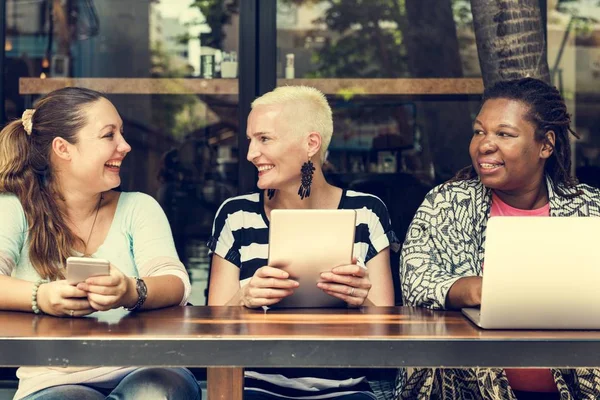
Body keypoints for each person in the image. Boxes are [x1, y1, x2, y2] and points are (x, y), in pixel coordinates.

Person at [400, 77, 600, 400]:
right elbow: (415, 278)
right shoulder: (447, 203)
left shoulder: (589, 208)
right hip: (465, 389)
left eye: (504, 134)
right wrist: (471, 288)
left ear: (545, 145)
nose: (484, 144)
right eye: (479, 131)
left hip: (575, 389)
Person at [0, 87, 201, 400]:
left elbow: (177, 284)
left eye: (121, 133)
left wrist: (130, 290)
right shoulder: (14, 209)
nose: (125, 145)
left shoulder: (139, 207)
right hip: (52, 382)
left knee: (153, 392)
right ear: (62, 148)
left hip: (149, 369)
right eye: (110, 135)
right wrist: (43, 296)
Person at [207, 86, 400, 399]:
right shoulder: (236, 215)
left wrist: (361, 300)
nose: (250, 153)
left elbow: (386, 334)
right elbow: (213, 328)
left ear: (311, 143)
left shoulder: (367, 212)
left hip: (347, 391)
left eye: (264, 138)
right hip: (257, 389)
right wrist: (243, 298)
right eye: (250, 139)